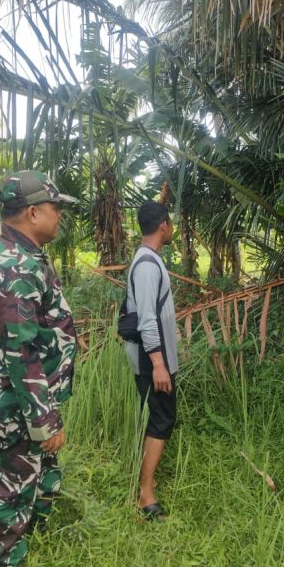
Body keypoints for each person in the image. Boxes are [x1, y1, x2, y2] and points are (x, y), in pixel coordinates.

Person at [0, 170, 78, 567]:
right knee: (14, 482)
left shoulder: (22, 253)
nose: (60, 217)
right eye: (56, 209)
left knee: (38, 473)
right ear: (33, 212)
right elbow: (22, 354)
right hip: (21, 400)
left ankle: (32, 533)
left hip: (33, 395)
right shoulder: (15, 266)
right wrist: (44, 420)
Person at [123, 201, 178, 521]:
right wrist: (159, 364)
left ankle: (149, 477)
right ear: (163, 226)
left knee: (159, 416)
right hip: (151, 360)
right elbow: (145, 319)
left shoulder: (149, 260)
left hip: (156, 357)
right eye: (171, 224)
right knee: (161, 418)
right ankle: (145, 494)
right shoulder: (147, 265)